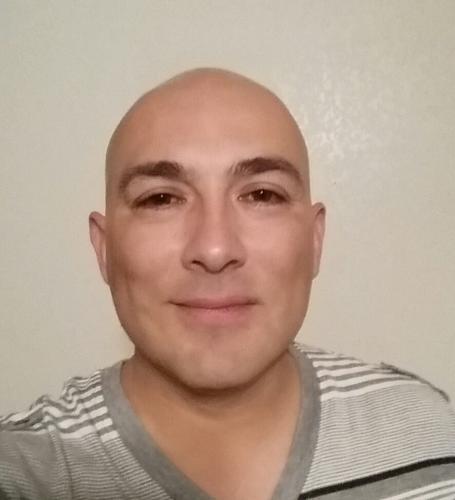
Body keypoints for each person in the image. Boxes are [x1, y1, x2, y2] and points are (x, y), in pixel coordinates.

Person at [1, 68, 454, 500]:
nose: (215, 249)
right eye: (161, 198)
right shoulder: (25, 471)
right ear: (104, 249)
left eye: (262, 194)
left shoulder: (428, 431)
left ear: (315, 240)